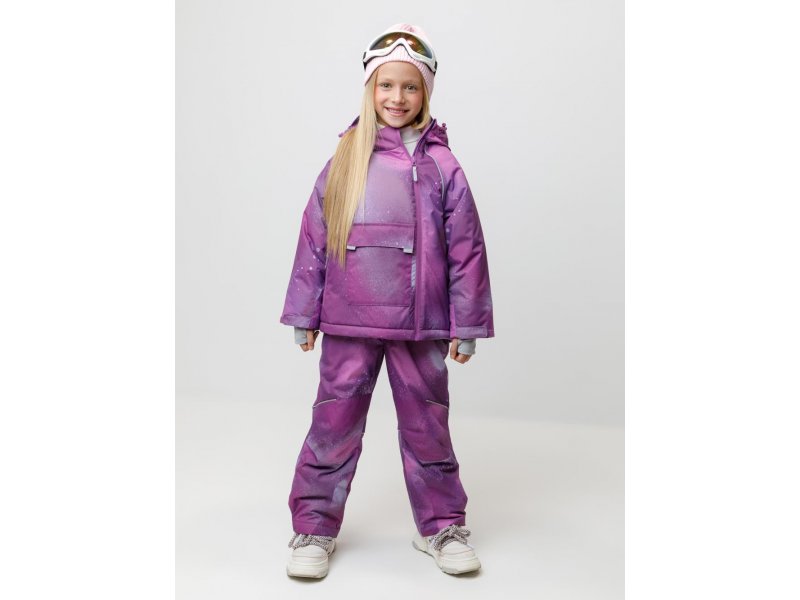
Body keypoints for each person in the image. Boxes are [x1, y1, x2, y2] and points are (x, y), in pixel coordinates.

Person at [279, 23, 494, 578]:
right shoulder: (346, 159)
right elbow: (315, 237)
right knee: (333, 425)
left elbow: (466, 248)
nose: (397, 98)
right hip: (348, 319)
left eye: (410, 87)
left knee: (428, 429)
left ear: (426, 93)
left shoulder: (443, 166)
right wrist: (304, 311)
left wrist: (467, 323)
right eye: (386, 85)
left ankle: (441, 525)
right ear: (370, 89)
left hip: (421, 324)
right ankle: (314, 527)